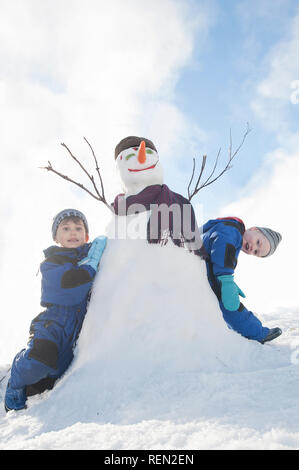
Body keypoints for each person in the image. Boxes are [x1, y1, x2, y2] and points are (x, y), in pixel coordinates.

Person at [4, 209, 107, 412]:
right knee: (38, 362)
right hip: (53, 325)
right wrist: (90, 267)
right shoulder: (52, 262)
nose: (73, 232)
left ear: (86, 235)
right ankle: (15, 379)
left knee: (53, 376)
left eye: (79, 228)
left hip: (73, 332)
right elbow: (69, 288)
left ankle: (31, 386)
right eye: (66, 228)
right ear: (56, 237)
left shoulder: (87, 256)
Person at [202, 216, 282, 344]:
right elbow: (223, 245)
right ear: (254, 229)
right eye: (258, 242)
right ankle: (258, 333)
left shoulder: (231, 232)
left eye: (256, 252)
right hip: (204, 272)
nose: (253, 248)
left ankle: (241, 329)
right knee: (231, 305)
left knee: (227, 301)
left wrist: (227, 280)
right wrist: (226, 278)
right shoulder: (232, 230)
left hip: (205, 272)